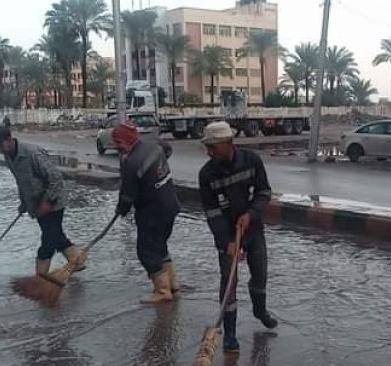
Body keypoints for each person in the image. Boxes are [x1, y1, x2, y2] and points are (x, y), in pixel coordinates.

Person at [199, 121, 277, 352]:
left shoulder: (251, 160)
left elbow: (264, 192)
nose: (210, 151)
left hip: (253, 230)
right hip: (227, 235)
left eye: (213, 146)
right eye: (208, 147)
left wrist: (251, 214)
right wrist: (228, 242)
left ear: (228, 143)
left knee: (260, 274)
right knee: (229, 282)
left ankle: (260, 310)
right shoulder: (207, 174)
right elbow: (212, 213)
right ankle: (230, 334)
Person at [0, 125, 85, 278]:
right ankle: (77, 260)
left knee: (48, 241)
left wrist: (48, 201)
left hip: (53, 202)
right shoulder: (9, 157)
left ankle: (40, 278)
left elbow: (55, 178)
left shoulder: (32, 154)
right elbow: (21, 182)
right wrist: (23, 203)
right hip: (36, 205)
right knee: (56, 236)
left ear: (9, 139)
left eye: (0, 145)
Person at [113, 120, 181, 304]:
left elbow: (127, 195)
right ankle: (173, 284)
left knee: (145, 251)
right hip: (171, 206)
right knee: (159, 245)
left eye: (118, 142)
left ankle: (162, 291)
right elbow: (168, 150)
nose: (116, 146)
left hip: (152, 212)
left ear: (127, 141)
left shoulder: (132, 162)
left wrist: (121, 210)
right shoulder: (155, 147)